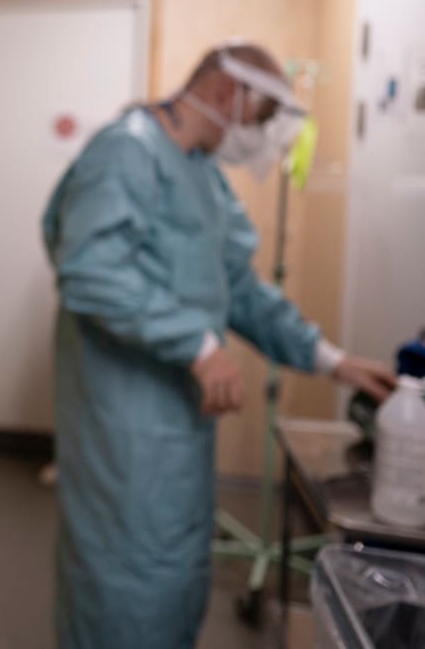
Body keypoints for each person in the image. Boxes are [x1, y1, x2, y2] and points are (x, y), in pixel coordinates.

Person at [41, 41, 396, 649]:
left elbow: (238, 287)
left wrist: (331, 360)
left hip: (178, 425)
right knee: (124, 574)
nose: (260, 134)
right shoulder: (125, 152)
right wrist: (198, 346)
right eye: (263, 116)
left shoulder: (201, 174)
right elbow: (91, 269)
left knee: (174, 569)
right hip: (124, 423)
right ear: (229, 92)